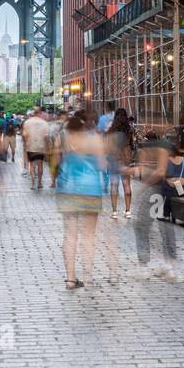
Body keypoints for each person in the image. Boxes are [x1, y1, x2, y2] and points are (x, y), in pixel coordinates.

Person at [56, 109, 106, 289]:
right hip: (90, 190)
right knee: (88, 236)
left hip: (67, 188)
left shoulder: (63, 137)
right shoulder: (94, 140)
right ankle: (88, 277)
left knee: (69, 235)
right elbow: (102, 165)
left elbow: (56, 158)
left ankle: (70, 279)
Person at [128, 130, 177, 280]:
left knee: (142, 225)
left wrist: (143, 187)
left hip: (156, 190)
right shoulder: (167, 147)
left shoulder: (159, 149)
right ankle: (168, 266)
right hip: (169, 191)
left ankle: (144, 266)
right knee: (165, 226)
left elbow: (159, 172)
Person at [106, 107, 134, 218]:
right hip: (126, 158)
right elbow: (132, 144)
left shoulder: (111, 130)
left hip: (114, 157)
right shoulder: (130, 130)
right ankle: (127, 211)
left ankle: (114, 212)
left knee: (114, 184)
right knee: (126, 184)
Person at [22, 107, 49, 190]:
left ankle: (33, 183)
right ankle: (39, 183)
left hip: (31, 146)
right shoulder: (44, 123)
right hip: (40, 147)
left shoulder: (27, 122)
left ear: (33, 113)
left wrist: (25, 144)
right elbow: (46, 136)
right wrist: (47, 147)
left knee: (32, 165)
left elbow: (24, 135)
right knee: (40, 164)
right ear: (40, 113)